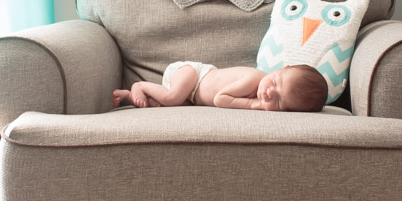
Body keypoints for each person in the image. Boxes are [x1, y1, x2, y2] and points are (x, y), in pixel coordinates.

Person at [111, 61, 328, 112]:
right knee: (172, 98)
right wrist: (253, 105)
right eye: (276, 82)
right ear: (282, 67)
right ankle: (140, 85)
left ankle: (129, 97)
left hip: (194, 96)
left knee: (159, 105)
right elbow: (220, 99)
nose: (270, 92)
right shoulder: (253, 79)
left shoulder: (263, 90)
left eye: (279, 101)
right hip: (193, 74)